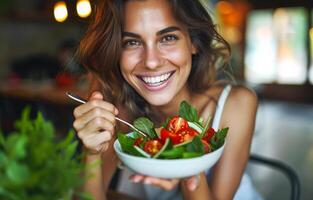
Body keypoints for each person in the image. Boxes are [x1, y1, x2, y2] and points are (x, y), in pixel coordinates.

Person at [72, 0, 262, 199]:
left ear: (193, 43)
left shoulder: (237, 103)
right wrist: (92, 152)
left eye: (168, 38)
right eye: (131, 42)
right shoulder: (118, 109)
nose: (151, 62)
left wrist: (190, 173)